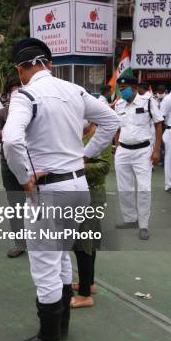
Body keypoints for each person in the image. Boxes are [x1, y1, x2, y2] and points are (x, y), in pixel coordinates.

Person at [3, 38, 119, 341]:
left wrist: (24, 174)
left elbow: (11, 141)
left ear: (21, 69)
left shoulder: (25, 94)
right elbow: (112, 121)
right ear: (49, 63)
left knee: (45, 265)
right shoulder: (75, 91)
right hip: (77, 187)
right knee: (63, 256)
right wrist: (85, 154)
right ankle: (61, 328)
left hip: (50, 192)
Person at [113, 73, 164, 240]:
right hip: (123, 151)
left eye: (124, 88)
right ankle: (130, 219)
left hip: (143, 151)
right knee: (124, 188)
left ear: (134, 88)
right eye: (120, 89)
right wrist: (117, 145)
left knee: (143, 189)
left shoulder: (148, 102)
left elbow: (158, 124)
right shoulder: (119, 104)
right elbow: (118, 127)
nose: (122, 91)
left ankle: (143, 225)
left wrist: (156, 150)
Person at [71, 122, 112, 309]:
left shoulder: (100, 138)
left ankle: (85, 295)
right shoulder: (77, 135)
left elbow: (104, 167)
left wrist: (74, 167)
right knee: (89, 243)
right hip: (79, 194)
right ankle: (88, 283)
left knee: (82, 244)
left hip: (92, 195)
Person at [0, 75, 25, 258]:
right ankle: (20, 242)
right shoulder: (2, 113)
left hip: (33, 163)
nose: (18, 93)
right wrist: (12, 128)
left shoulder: (35, 111)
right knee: (15, 203)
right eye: (15, 90)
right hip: (8, 163)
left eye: (22, 89)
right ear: (9, 94)